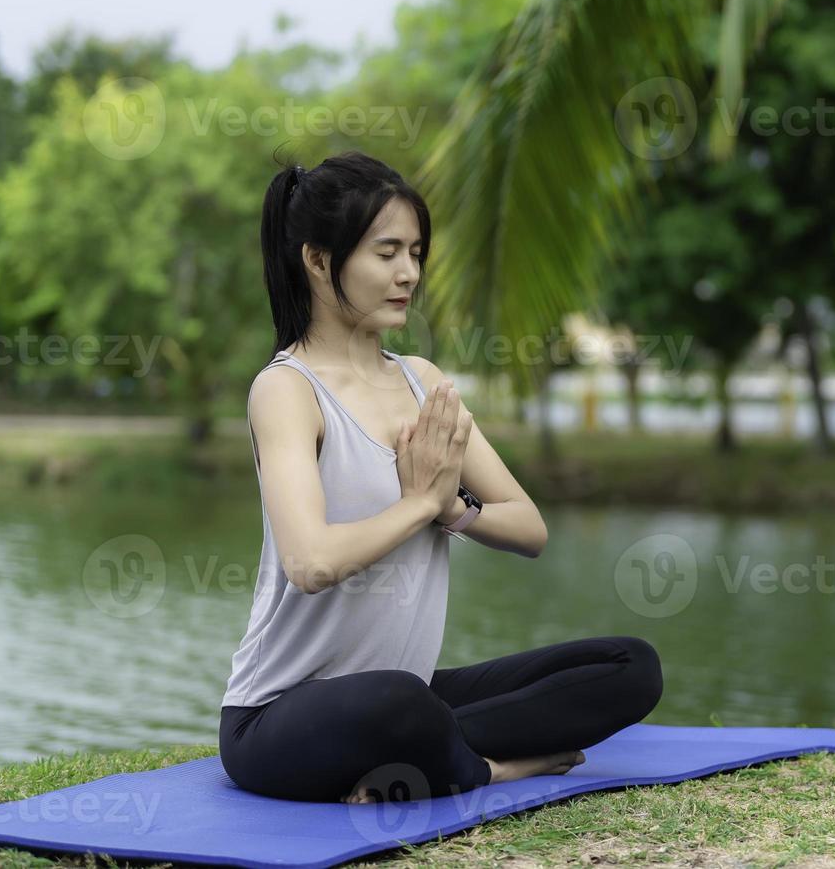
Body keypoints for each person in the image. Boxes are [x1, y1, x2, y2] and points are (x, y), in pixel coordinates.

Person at [218, 151, 663, 804]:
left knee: (629, 667)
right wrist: (421, 501)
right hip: (276, 720)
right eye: (386, 252)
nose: (408, 274)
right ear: (317, 260)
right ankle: (490, 768)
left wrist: (456, 511)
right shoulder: (286, 390)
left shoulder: (419, 381)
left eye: (416, 253)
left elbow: (529, 528)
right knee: (397, 701)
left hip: (407, 691)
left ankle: (418, 756)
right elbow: (309, 563)